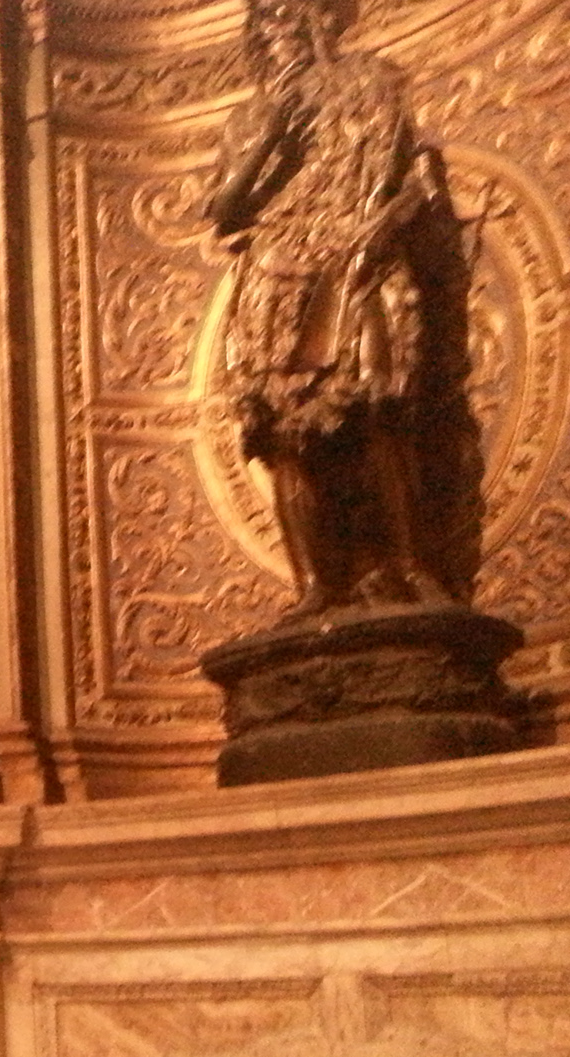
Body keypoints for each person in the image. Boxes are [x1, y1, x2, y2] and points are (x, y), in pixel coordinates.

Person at [207, 0, 456, 618]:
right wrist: (269, 139)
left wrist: (382, 227)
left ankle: (411, 566)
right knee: (283, 433)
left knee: (372, 409)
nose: (280, 36)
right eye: (266, 28)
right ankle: (315, 583)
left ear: (319, 23)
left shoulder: (368, 82)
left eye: (291, 21)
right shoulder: (249, 118)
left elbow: (418, 177)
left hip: (352, 253)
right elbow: (224, 210)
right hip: (275, 271)